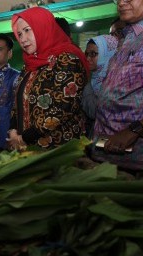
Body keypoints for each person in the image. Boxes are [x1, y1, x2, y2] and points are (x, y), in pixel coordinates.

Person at [91, 0, 143, 174]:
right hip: (109, 154)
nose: (122, 2)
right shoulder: (129, 35)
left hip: (141, 161)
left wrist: (135, 130)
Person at [8, 7, 89, 150]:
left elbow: (63, 108)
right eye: (19, 34)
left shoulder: (68, 60)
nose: (22, 39)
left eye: (27, 30)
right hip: (26, 148)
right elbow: (18, 102)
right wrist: (13, 130)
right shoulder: (28, 65)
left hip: (57, 150)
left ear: (43, 27)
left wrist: (25, 137)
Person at [81, 35, 118, 138]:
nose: (88, 58)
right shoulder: (95, 77)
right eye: (86, 54)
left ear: (107, 54)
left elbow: (95, 112)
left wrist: (86, 85)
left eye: (93, 54)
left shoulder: (113, 80)